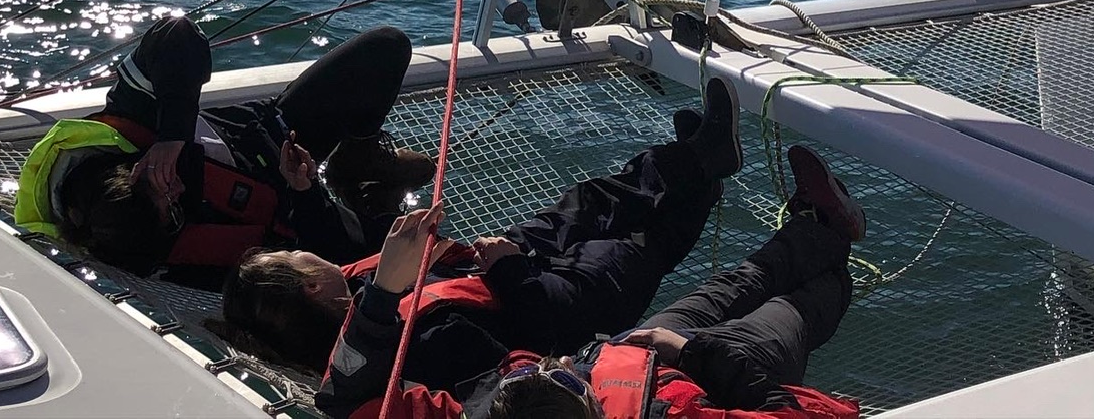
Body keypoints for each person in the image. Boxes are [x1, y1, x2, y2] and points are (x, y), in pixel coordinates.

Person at [215, 79, 746, 400]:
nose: (305, 249)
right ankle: (703, 167)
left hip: (499, 266)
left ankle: (696, 160)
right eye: (295, 254)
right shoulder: (424, 346)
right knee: (641, 242)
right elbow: (533, 351)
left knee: (589, 200)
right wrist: (511, 270)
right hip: (560, 302)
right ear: (310, 284)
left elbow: (328, 241)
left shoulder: (344, 312)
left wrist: (304, 189)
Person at [327, 144, 865, 419]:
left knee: (732, 286)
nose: (558, 359)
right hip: (716, 373)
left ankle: (818, 227)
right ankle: (830, 240)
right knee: (792, 311)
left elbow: (343, 401)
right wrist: (695, 356)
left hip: (643, 355)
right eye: (563, 373)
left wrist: (381, 294)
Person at [14, 18, 436, 286]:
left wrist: (170, 138)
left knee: (386, 46)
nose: (177, 187)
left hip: (276, 128)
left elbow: (175, 34)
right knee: (402, 251)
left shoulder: (130, 123)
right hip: (291, 197)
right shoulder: (164, 251)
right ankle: (358, 194)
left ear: (133, 167)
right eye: (174, 209)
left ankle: (356, 159)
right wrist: (305, 190)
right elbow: (318, 260)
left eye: (161, 183)